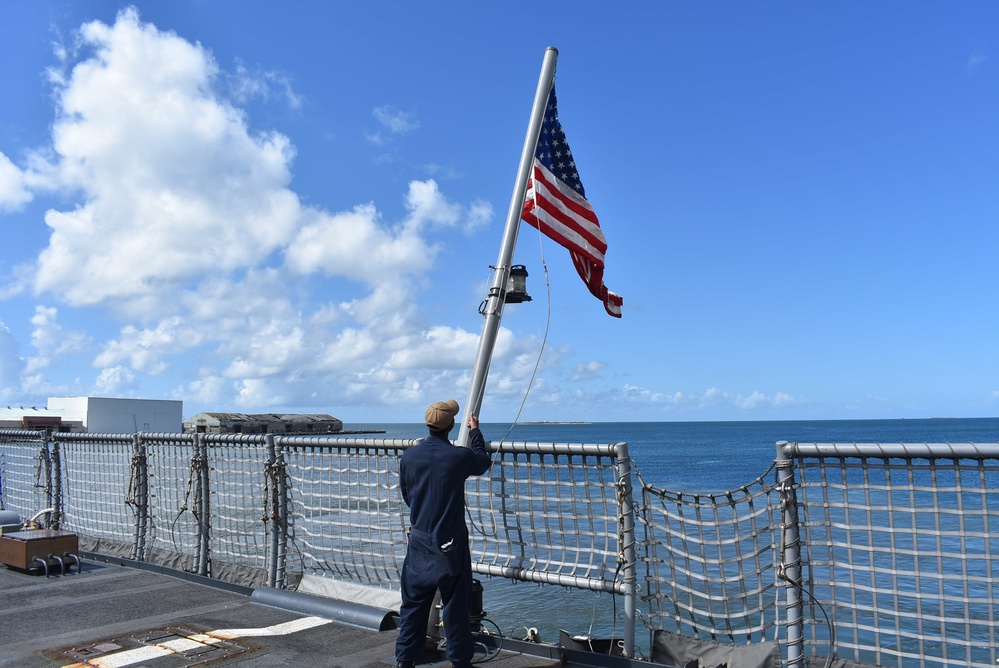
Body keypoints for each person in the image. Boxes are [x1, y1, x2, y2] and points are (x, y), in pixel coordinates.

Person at [395, 399, 491, 668]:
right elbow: (482, 461)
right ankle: (460, 660)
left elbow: (407, 493)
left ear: (428, 425)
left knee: (413, 605)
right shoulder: (458, 457)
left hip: (419, 539)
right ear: (450, 426)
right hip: (450, 543)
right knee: (455, 607)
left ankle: (405, 660)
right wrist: (475, 432)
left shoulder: (409, 456)